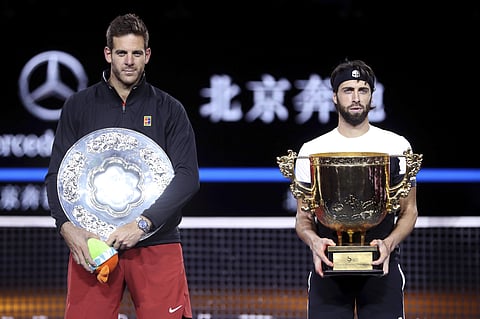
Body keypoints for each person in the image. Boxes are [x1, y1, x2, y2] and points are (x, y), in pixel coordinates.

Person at [45, 13, 200, 319]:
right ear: (108, 54)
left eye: (136, 53)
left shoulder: (169, 109)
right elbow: (57, 175)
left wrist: (142, 223)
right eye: (121, 53)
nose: (129, 61)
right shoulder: (78, 106)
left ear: (147, 56)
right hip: (94, 244)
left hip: (157, 243)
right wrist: (65, 226)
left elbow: (187, 177)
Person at [294, 59, 418, 318]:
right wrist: (315, 242)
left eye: (363, 90)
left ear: (372, 96)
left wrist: (388, 243)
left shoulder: (396, 146)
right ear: (334, 97)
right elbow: (303, 218)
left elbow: (409, 211)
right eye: (348, 90)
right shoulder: (312, 150)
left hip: (381, 267)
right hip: (327, 269)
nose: (356, 98)